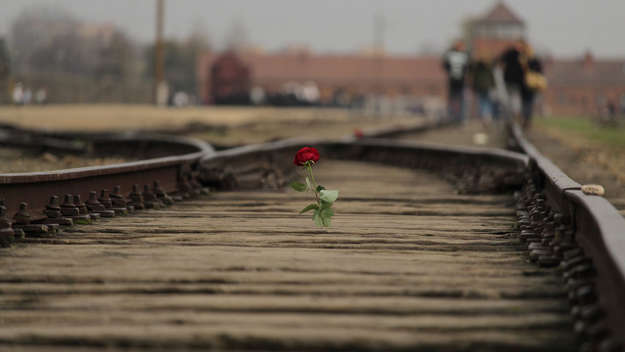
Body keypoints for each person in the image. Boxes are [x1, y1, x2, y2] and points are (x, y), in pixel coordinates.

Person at [519, 42, 545, 129]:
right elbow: (540, 71)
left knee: (526, 102)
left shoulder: (523, 60)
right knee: (528, 102)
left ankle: (526, 119)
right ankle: (527, 119)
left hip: (527, 84)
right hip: (530, 85)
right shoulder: (533, 60)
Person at [442, 41, 469, 123]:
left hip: (461, 81)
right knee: (453, 99)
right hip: (453, 80)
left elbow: (468, 66)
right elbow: (445, 64)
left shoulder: (464, 55)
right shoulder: (451, 54)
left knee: (461, 99)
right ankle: (452, 116)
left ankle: (460, 117)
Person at [499, 40, 526, 118]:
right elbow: (501, 61)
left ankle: (514, 113)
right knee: (511, 97)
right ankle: (512, 113)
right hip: (510, 80)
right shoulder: (512, 53)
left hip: (517, 81)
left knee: (514, 97)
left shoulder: (522, 55)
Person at [470, 50, 495, 124]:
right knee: (488, 101)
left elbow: (474, 76)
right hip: (488, 85)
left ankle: (484, 116)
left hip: (480, 86)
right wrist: (494, 85)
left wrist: (473, 86)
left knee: (482, 102)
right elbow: (492, 76)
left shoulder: (477, 65)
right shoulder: (489, 65)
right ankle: (488, 116)